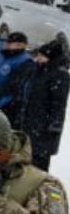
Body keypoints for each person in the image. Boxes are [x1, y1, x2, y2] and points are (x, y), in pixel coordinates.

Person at [11, 38, 69, 169]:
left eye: (41, 56)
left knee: (38, 163)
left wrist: (54, 125)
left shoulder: (59, 75)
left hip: (42, 128)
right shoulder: (38, 70)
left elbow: (59, 103)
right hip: (28, 122)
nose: (37, 58)